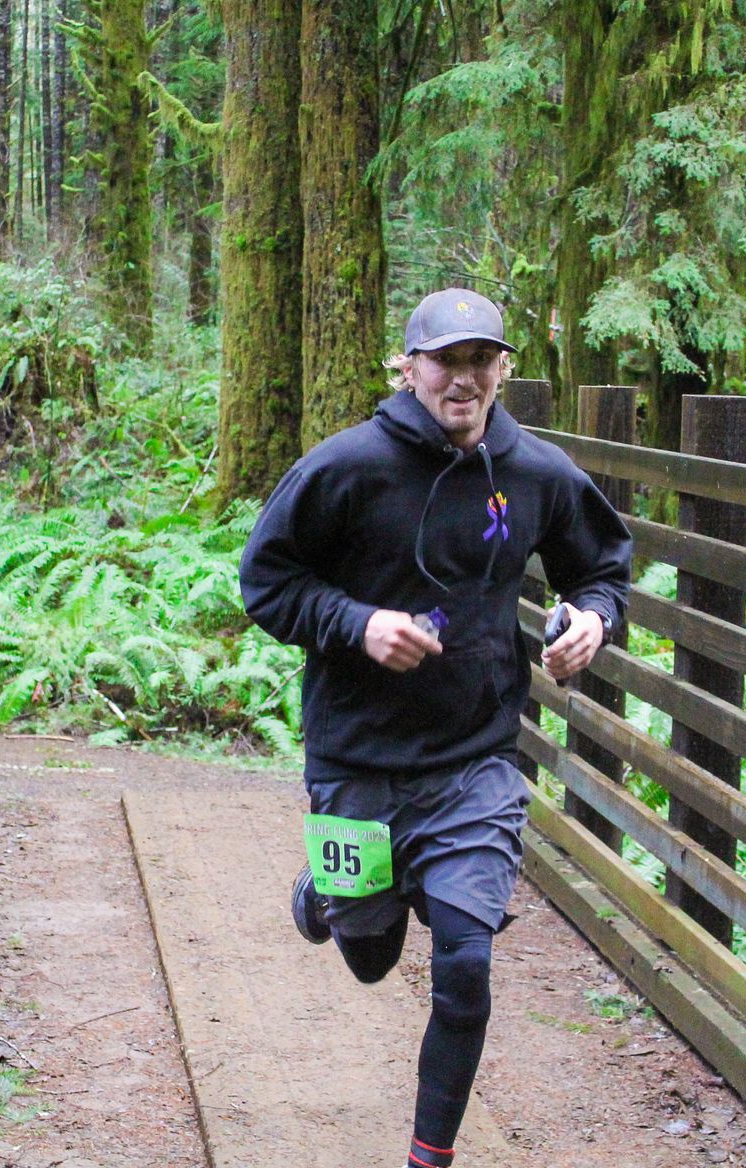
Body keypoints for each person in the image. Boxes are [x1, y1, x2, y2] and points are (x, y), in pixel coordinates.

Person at [238, 287, 633, 1168]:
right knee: (371, 957)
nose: (463, 378)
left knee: (465, 962)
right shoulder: (344, 469)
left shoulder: (535, 472)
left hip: (475, 762)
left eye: (479, 359)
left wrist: (594, 619)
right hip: (357, 759)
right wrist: (358, 623)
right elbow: (266, 582)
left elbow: (602, 566)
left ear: (503, 369)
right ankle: (330, 898)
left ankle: (429, 1157)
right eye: (444, 360)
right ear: (407, 368)